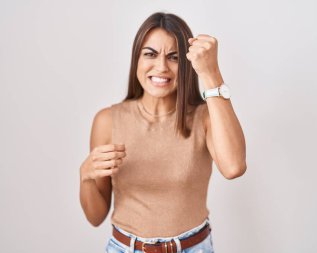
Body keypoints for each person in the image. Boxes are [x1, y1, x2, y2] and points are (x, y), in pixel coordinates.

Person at [79, 12, 247, 253]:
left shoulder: (205, 118)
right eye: (150, 54)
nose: (161, 67)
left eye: (174, 57)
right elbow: (95, 217)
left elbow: (234, 167)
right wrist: (85, 175)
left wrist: (211, 73)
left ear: (188, 64)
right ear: (136, 58)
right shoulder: (107, 121)